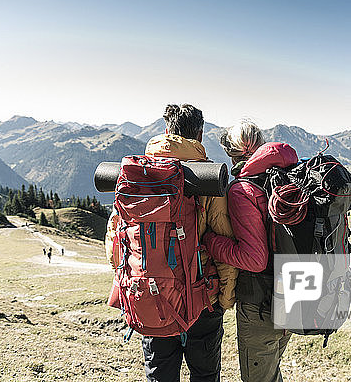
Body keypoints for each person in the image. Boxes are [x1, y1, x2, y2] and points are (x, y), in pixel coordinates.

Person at [105, 104, 237, 382]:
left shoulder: (136, 175)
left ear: (166, 131)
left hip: (151, 297)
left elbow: (114, 238)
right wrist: (224, 298)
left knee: (160, 375)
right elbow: (223, 241)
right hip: (202, 299)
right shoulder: (206, 177)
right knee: (205, 375)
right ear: (200, 135)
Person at [203, 120, 298, 382]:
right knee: (271, 370)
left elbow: (254, 259)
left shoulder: (243, 190)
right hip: (295, 293)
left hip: (261, 302)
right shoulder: (291, 175)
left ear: (232, 154)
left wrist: (211, 242)